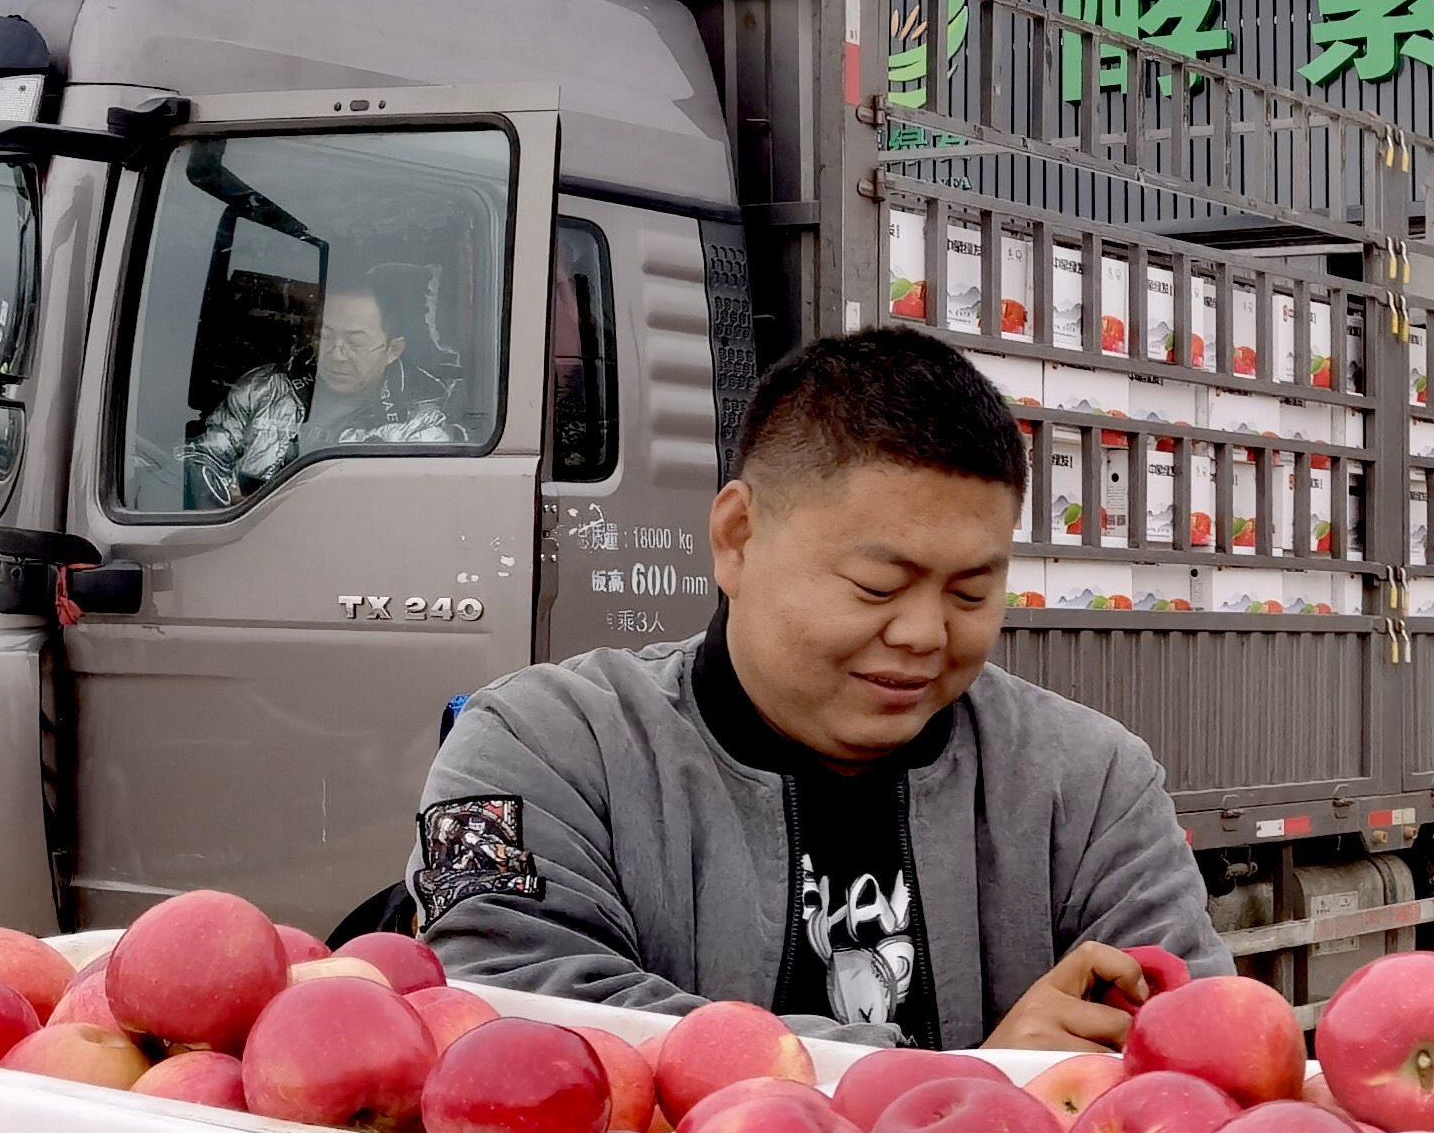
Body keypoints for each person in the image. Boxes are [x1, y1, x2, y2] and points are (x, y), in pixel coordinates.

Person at [411, 323, 1217, 1051]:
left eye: (971, 593)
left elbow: (1195, 1039)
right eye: (876, 586)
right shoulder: (541, 746)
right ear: (737, 537)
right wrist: (974, 1083)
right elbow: (510, 1014)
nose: (924, 634)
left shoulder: (1090, 781)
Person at [198, 276, 464, 507]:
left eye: (355, 343)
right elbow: (202, 458)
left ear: (393, 350)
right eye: (326, 337)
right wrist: (224, 503)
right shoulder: (267, 388)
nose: (336, 354)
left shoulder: (421, 423)